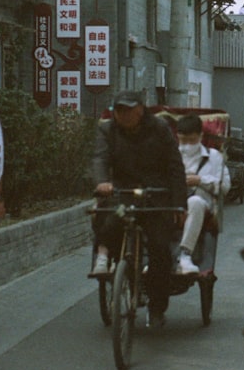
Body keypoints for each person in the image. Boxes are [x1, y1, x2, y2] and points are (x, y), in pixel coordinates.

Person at [90, 90, 187, 321]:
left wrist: (179, 205)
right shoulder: (107, 130)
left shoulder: (159, 128)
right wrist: (102, 182)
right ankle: (109, 259)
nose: (123, 115)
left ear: (140, 109)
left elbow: (175, 167)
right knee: (109, 219)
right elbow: (100, 158)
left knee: (160, 248)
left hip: (156, 193)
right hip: (123, 191)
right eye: (119, 110)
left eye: (128, 109)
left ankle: (157, 306)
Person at [174, 113, 231, 274]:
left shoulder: (214, 157)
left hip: (203, 206)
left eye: (191, 141)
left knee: (195, 202)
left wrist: (200, 180)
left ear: (200, 136)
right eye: (182, 140)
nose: (186, 146)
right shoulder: (172, 155)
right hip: (173, 204)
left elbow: (224, 186)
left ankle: (185, 255)